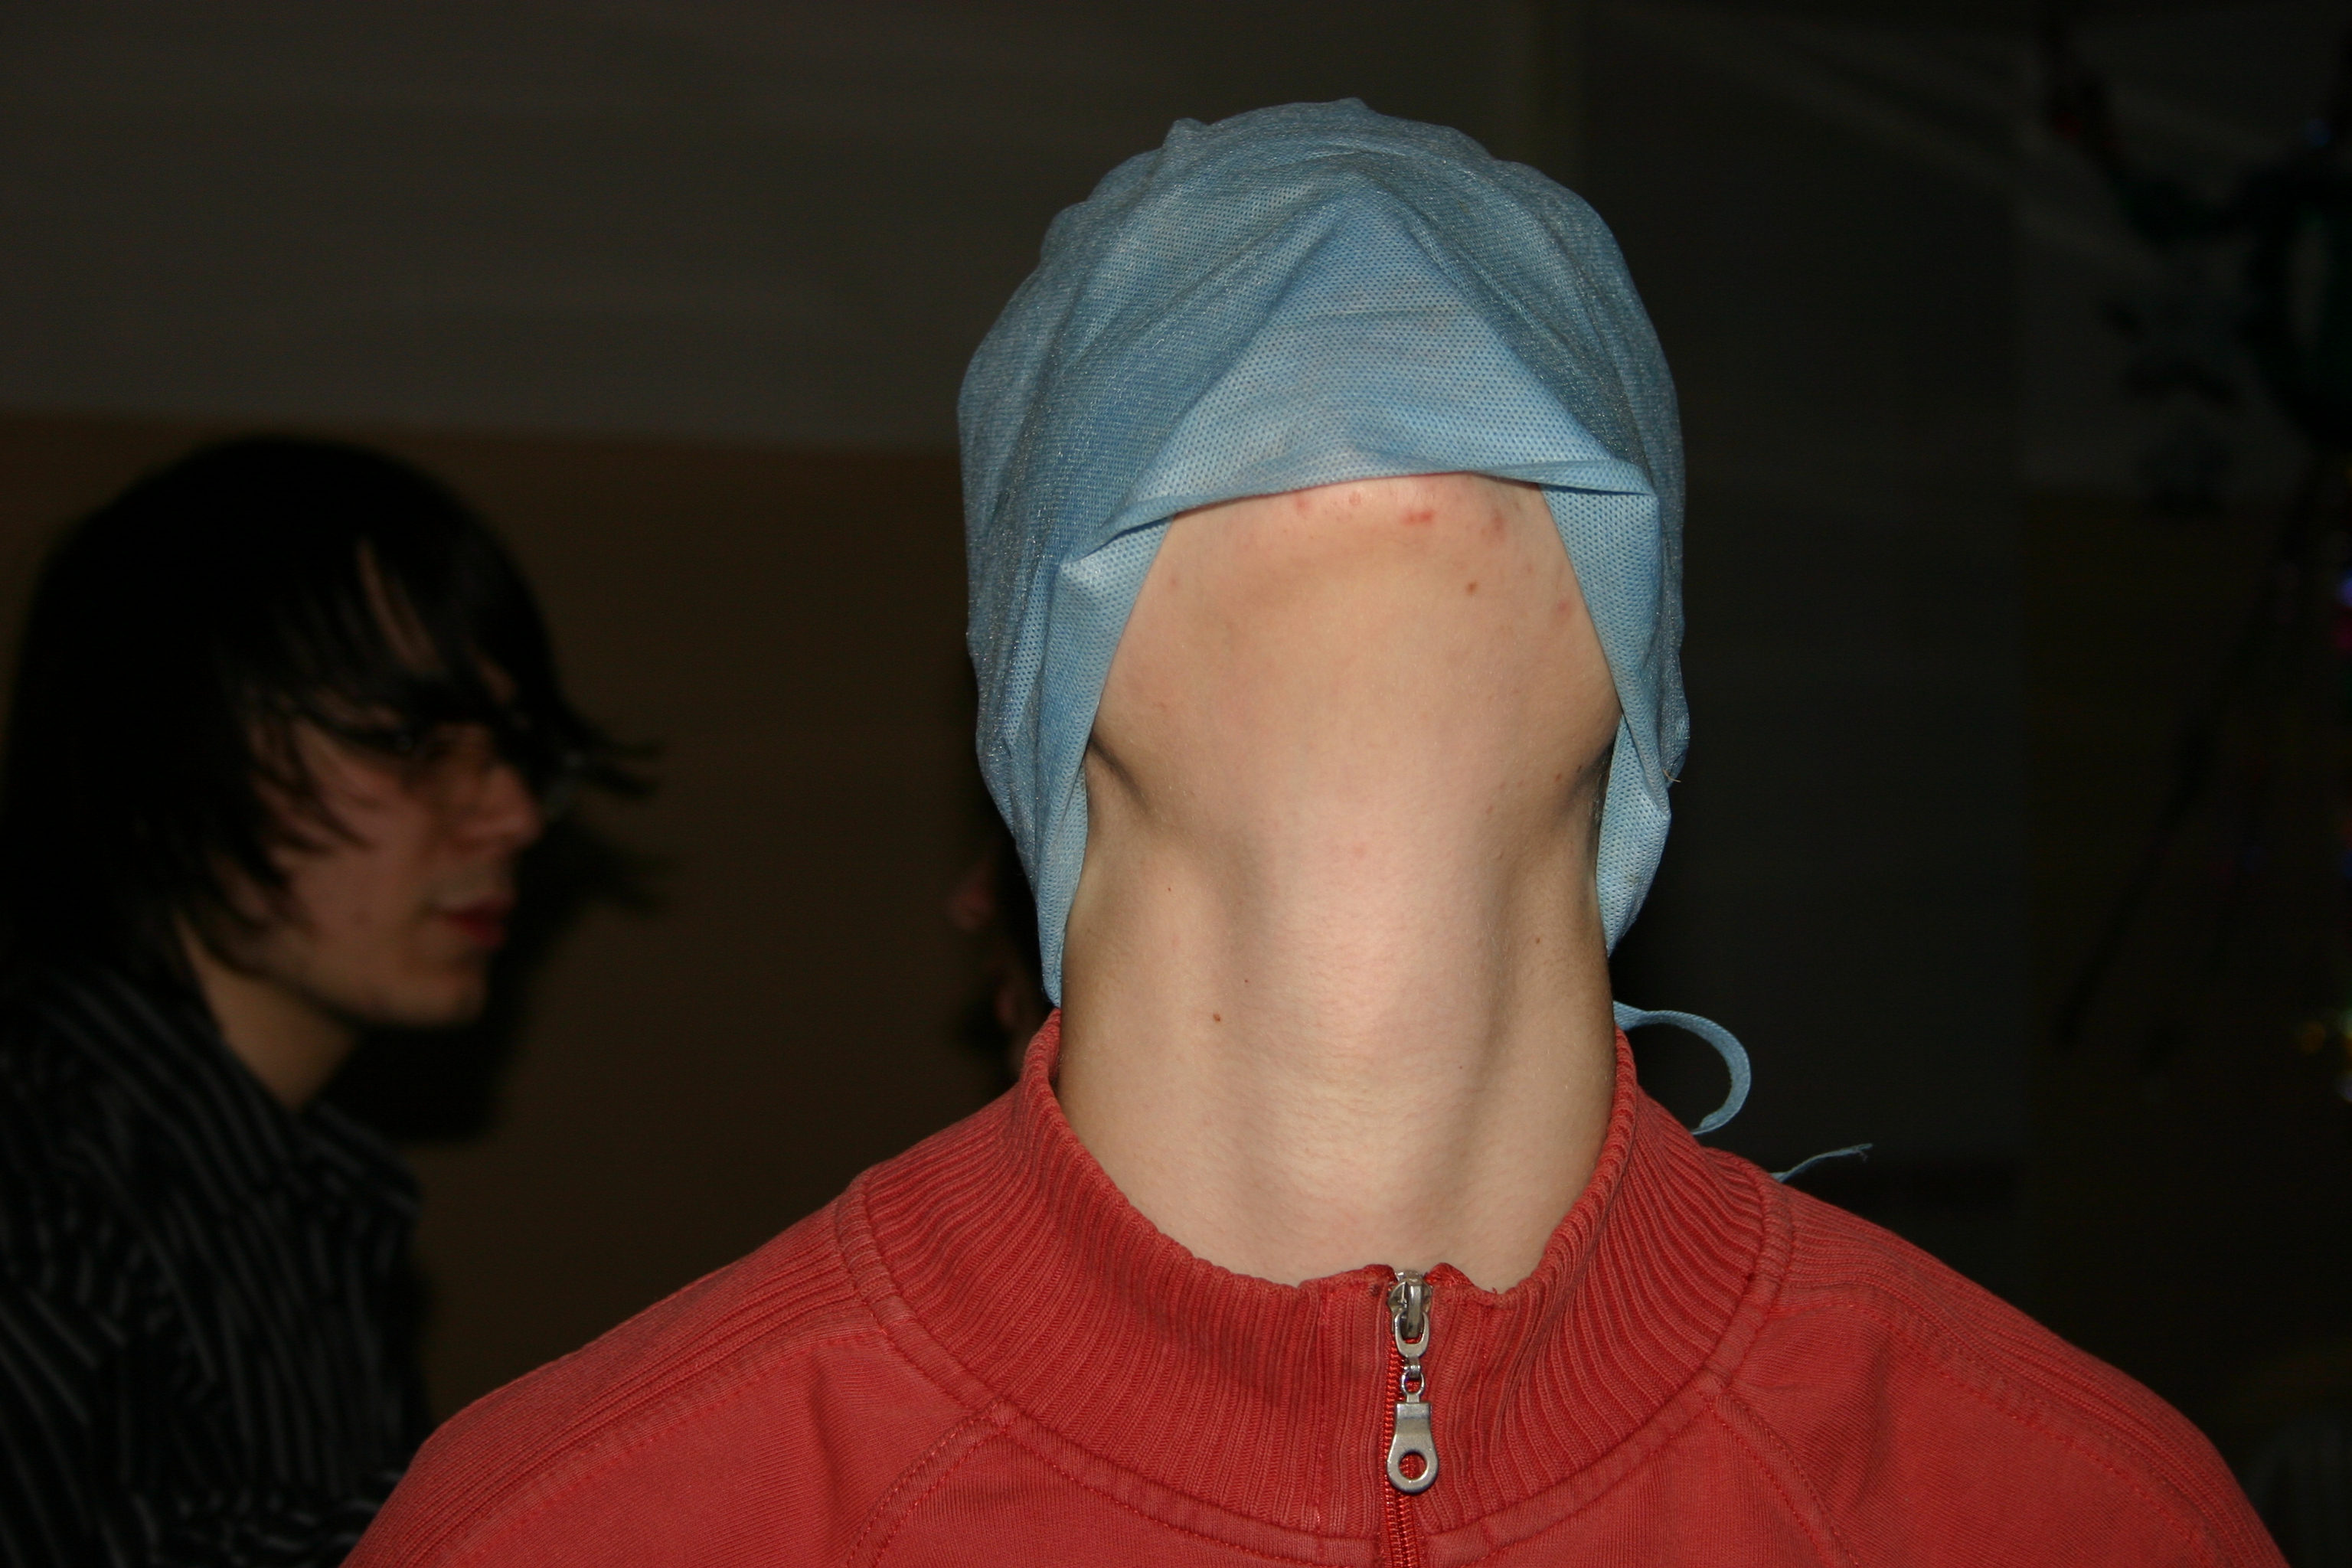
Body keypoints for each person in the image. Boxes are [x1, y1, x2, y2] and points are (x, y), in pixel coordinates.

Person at [348, 103, 2282, 1566]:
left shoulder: (2095, 1517)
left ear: (1652, 681)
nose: (1362, 290)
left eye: (1493, 331)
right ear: (1028, 683)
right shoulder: (566, 1527)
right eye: (1203, 334)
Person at [0, 437, 629, 1566]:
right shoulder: (40, 1181)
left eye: (515, 753)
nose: (513, 816)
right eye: (412, 743)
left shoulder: (313, 1194)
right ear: (169, 741)